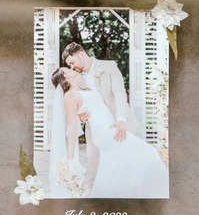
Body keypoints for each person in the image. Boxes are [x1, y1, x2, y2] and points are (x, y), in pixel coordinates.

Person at [49, 67, 168, 198]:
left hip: (110, 127)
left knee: (114, 167)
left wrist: (81, 118)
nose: (72, 68)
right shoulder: (69, 96)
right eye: (67, 68)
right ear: (65, 76)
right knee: (148, 151)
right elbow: (71, 126)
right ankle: (159, 193)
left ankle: (112, 197)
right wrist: (70, 159)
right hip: (104, 132)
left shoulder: (83, 89)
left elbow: (90, 109)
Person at [60, 42, 139, 186]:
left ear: (82, 54)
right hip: (94, 131)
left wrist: (121, 120)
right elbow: (78, 102)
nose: (72, 67)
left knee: (124, 171)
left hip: (118, 126)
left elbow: (119, 93)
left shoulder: (109, 67)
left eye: (72, 62)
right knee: (95, 173)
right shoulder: (76, 78)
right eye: (69, 65)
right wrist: (81, 117)